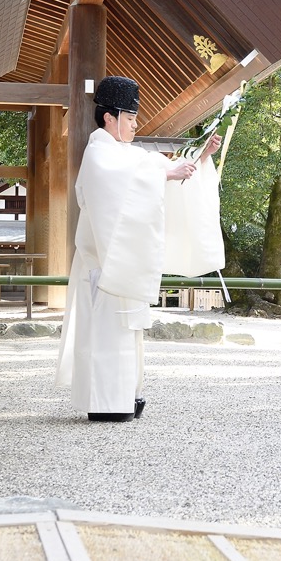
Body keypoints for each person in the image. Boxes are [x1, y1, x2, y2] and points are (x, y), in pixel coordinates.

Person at [55, 76, 222, 422]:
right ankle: (105, 404)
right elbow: (129, 180)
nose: (134, 125)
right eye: (129, 119)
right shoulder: (98, 152)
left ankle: (126, 397)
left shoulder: (124, 154)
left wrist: (199, 158)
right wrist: (163, 174)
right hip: (105, 264)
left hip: (122, 263)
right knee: (106, 334)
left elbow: (156, 168)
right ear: (109, 119)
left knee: (126, 334)